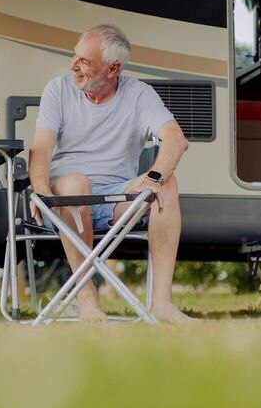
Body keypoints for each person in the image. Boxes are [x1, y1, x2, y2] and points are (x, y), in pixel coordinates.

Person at [28, 24, 196, 324]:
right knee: (76, 183)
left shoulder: (139, 94)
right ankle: (88, 299)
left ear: (112, 68)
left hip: (118, 197)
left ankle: (161, 303)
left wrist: (153, 178)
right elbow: (40, 150)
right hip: (64, 201)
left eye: (84, 62)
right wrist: (40, 192)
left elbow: (176, 140)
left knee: (167, 184)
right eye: (74, 56)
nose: (73, 66)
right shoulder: (58, 89)